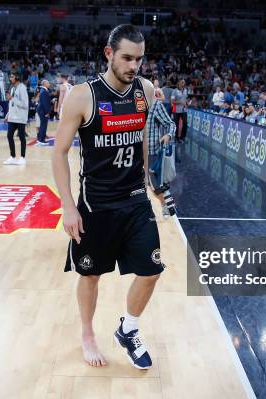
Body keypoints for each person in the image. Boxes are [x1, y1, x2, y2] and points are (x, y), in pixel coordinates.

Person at [51, 24, 162, 370]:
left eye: (139, 60)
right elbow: (59, 153)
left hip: (134, 200)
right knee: (91, 276)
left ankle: (128, 329)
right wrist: (69, 208)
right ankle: (87, 333)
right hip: (96, 206)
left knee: (152, 269)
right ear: (109, 54)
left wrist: (151, 183)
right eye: (127, 58)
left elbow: (141, 139)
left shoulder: (144, 89)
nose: (134, 66)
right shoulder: (83, 96)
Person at [147, 85, 176, 219]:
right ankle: (167, 207)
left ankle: (168, 207)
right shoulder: (130, 105)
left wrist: (168, 135)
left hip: (152, 152)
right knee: (145, 184)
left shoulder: (155, 105)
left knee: (154, 184)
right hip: (135, 153)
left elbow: (171, 124)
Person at [3, 73, 29, 165]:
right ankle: (13, 157)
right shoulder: (13, 88)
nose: (10, 78)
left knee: (21, 137)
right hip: (12, 118)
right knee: (9, 136)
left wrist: (13, 98)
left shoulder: (22, 88)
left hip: (20, 118)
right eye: (10, 77)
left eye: (12, 77)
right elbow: (12, 105)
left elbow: (25, 105)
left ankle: (22, 157)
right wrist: (7, 116)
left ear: (17, 78)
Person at [35, 79, 51, 146]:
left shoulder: (43, 91)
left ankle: (39, 138)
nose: (49, 84)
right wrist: (47, 112)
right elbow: (45, 103)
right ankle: (41, 140)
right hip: (43, 110)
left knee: (42, 125)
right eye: (48, 83)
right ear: (44, 84)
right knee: (43, 125)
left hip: (41, 110)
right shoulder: (44, 91)